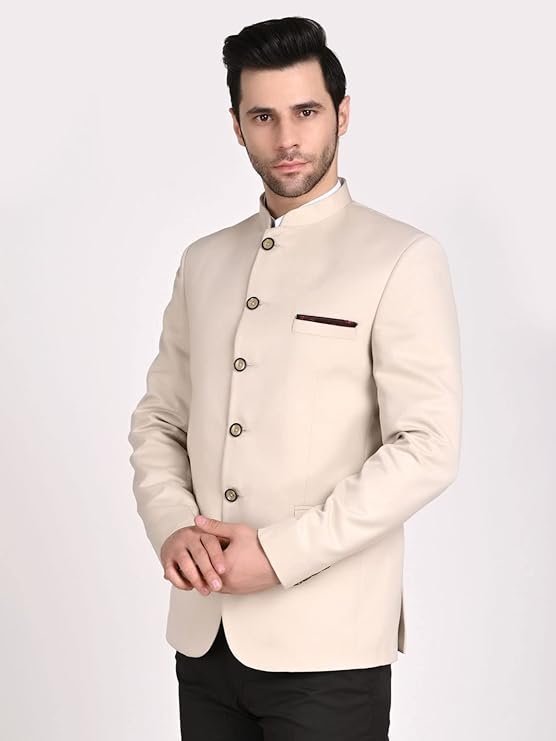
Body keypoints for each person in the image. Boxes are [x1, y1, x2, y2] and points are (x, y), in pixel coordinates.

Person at [127, 15, 463, 741]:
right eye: (264, 116)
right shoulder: (204, 261)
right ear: (237, 126)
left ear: (342, 113)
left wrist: (280, 554)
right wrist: (172, 524)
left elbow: (427, 448)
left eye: (306, 112)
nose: (287, 138)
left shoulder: (400, 257)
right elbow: (160, 419)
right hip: (205, 640)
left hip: (329, 648)